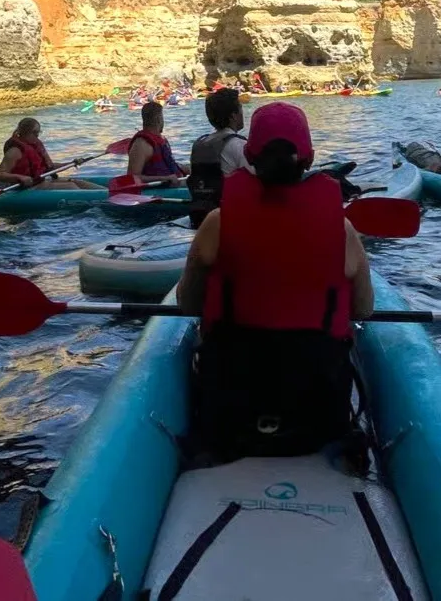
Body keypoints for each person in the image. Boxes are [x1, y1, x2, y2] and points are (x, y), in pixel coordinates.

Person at [178, 102, 374, 461]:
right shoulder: (342, 230)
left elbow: (187, 305)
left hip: (232, 412)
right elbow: (363, 309)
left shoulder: (217, 224)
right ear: (309, 160)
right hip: (315, 416)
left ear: (251, 157)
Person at [186, 87, 251, 228]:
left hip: (200, 216)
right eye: (240, 109)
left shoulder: (199, 144)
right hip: (229, 219)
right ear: (233, 116)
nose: (242, 113)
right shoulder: (239, 145)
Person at [0, 118, 99, 190]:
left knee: (79, 182)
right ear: (24, 132)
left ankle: (108, 193)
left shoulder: (35, 145)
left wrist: (72, 163)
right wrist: (20, 177)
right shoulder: (15, 151)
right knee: (71, 186)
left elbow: (50, 167)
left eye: (38, 132)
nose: (37, 136)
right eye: (34, 133)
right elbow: (0, 175)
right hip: (26, 188)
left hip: (40, 182)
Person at [126, 101, 184, 181]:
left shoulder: (161, 139)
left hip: (174, 182)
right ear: (158, 119)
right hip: (160, 188)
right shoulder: (141, 144)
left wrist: (181, 168)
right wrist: (165, 179)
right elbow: (132, 178)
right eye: (162, 117)